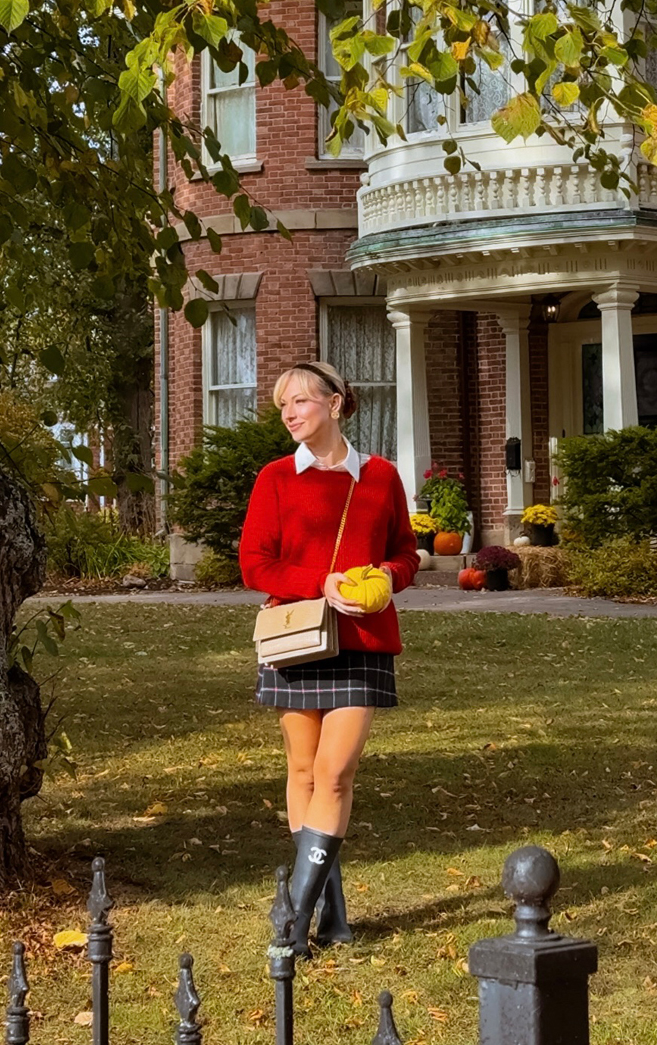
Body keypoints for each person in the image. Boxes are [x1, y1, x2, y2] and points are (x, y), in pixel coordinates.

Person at [239, 360, 419, 958]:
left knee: (336, 773)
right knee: (303, 772)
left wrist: (386, 578)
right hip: (297, 640)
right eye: (282, 405)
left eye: (300, 402)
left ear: (336, 403)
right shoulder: (274, 479)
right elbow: (255, 566)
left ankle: (292, 915)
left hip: (363, 643)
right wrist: (324, 582)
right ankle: (332, 914)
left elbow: (405, 553)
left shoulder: (381, 476)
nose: (289, 413)